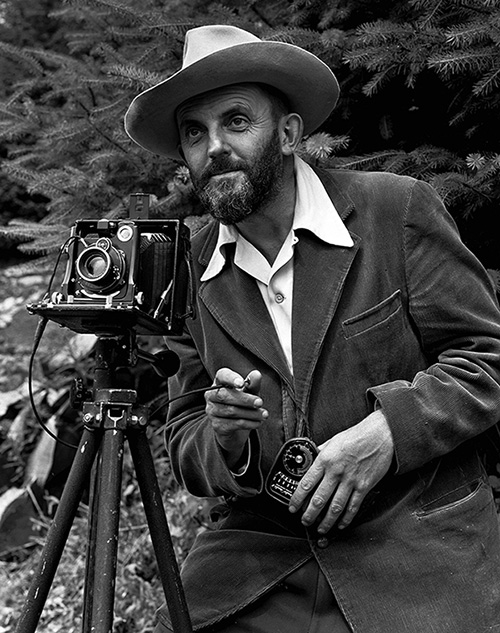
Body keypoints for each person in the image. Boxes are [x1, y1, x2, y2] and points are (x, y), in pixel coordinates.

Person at [125, 24, 500, 633]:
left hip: (414, 546)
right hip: (259, 562)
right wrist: (225, 440)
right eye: (195, 132)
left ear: (291, 132)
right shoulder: (190, 270)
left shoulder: (393, 210)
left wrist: (386, 432)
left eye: (237, 121)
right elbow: (186, 433)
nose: (214, 146)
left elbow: (486, 356)